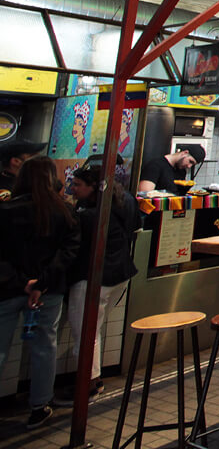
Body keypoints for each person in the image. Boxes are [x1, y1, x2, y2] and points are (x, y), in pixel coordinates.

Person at [0, 157, 81, 428]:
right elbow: (68, 252)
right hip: (49, 290)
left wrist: (22, 282)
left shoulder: (6, 210)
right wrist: (41, 282)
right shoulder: (65, 212)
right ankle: (39, 405)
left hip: (8, 289)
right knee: (45, 346)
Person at [57, 160, 138, 403]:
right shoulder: (125, 203)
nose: (73, 188)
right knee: (93, 330)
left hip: (94, 278)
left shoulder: (89, 216)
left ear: (94, 187)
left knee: (86, 333)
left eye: (78, 184)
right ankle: (94, 379)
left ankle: (88, 384)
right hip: (120, 275)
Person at [137, 145, 205, 193]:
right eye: (190, 161)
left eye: (193, 165)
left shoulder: (181, 171)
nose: (189, 166)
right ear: (185, 153)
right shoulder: (156, 165)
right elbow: (144, 194)